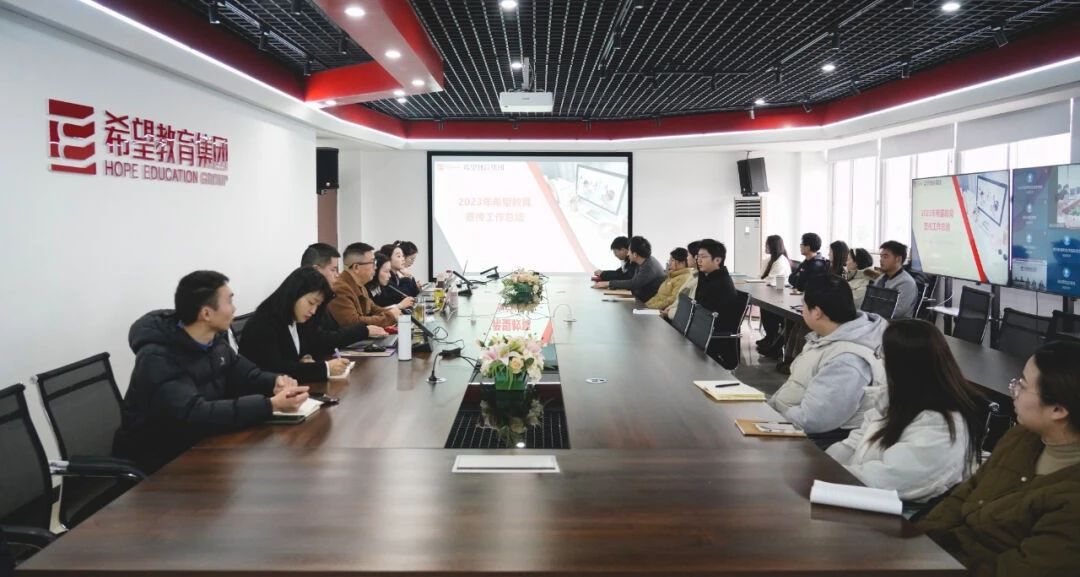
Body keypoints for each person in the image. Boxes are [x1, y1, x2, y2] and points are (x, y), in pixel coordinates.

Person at [114, 271, 308, 473]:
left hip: (202, 445)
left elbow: (247, 374)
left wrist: (275, 382)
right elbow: (195, 413)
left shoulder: (214, 343)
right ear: (206, 314)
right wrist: (269, 405)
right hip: (160, 462)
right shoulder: (158, 358)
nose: (234, 309)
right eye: (229, 302)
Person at [918, 341, 1080, 576]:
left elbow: (1019, 570)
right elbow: (968, 490)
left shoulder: (1072, 500)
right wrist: (922, 539)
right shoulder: (1021, 437)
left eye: (1022, 385)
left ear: (1058, 410)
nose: (1013, 389)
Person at [826, 319, 985, 502]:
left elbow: (889, 480)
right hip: (858, 493)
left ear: (903, 368)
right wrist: (823, 464)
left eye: (883, 355)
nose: (880, 362)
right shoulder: (898, 401)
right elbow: (854, 442)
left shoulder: (940, 427)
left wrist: (827, 476)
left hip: (895, 511)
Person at [768, 275, 887, 449]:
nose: (802, 310)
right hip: (790, 423)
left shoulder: (847, 359)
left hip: (814, 441)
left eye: (803, 305)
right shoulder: (827, 338)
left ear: (817, 312)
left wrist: (770, 420)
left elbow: (815, 419)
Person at [238, 267, 351, 383]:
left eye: (317, 306)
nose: (313, 311)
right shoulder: (262, 324)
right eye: (311, 303)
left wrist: (306, 357)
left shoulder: (295, 318)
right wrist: (325, 368)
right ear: (294, 294)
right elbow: (275, 369)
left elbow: (315, 342)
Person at [300, 242, 381, 342]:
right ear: (316, 270)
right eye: (333, 270)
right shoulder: (302, 299)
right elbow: (319, 340)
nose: (337, 275)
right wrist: (364, 331)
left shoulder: (322, 296)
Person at [329, 242, 399, 328]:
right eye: (372, 262)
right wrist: (390, 317)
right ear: (356, 267)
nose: (375, 267)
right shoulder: (340, 288)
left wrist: (394, 312)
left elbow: (374, 309)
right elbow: (353, 323)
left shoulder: (360, 285)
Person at [596, 236, 666, 302]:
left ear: (635, 254)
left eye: (629, 250)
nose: (628, 254)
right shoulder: (643, 261)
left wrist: (609, 283)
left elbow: (633, 283)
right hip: (642, 298)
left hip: (648, 303)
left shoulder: (649, 266)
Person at [758, 235, 793, 351]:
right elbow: (761, 277)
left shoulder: (781, 261)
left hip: (781, 295)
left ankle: (772, 337)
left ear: (773, 246)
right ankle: (769, 336)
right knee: (764, 307)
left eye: (767, 244)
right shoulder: (768, 260)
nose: (765, 247)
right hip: (771, 293)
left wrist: (761, 281)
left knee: (767, 310)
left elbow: (770, 281)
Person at [874, 240, 918, 318]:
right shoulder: (881, 278)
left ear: (898, 259)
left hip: (895, 323)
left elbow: (897, 312)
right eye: (881, 256)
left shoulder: (907, 283)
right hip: (877, 319)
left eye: (885, 257)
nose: (881, 260)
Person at [694, 238, 738, 315]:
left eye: (703, 257)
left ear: (717, 260)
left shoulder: (720, 283)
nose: (699, 260)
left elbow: (703, 314)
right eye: (698, 256)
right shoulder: (708, 277)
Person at [663, 240, 701, 319]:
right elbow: (679, 299)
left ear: (696, 257)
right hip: (672, 314)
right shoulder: (693, 274)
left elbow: (688, 307)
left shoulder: (696, 279)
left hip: (677, 318)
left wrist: (669, 312)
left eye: (688, 255)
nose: (687, 258)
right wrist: (668, 309)